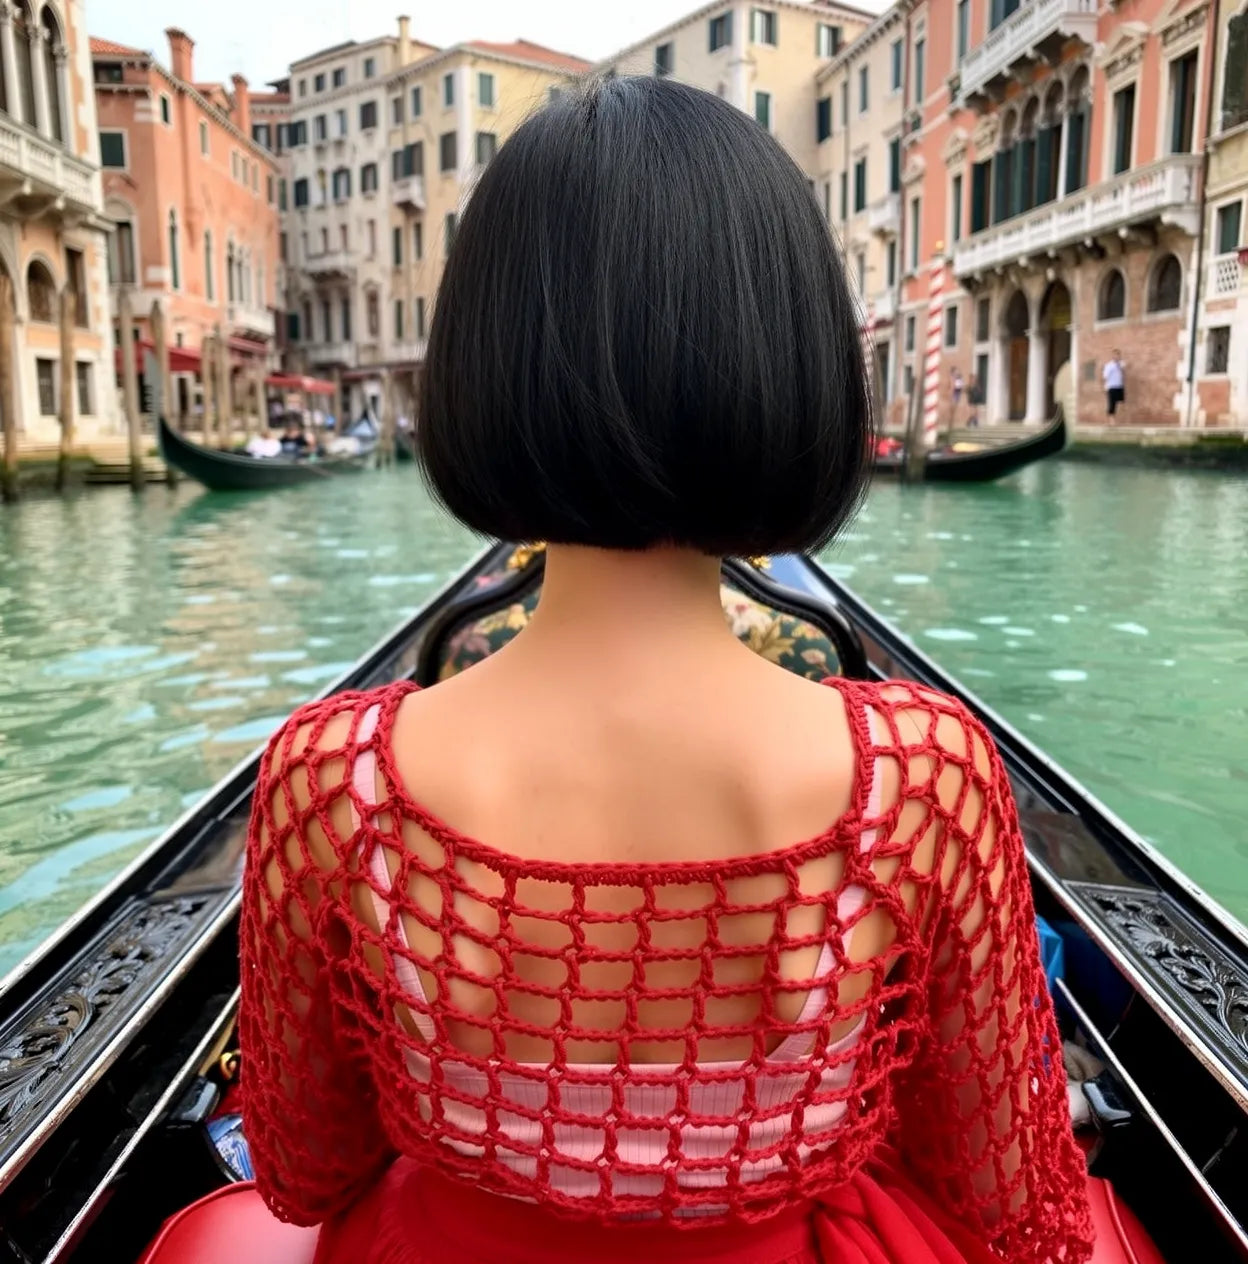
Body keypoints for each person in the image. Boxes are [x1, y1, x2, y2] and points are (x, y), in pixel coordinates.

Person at [241, 77, 1093, 1264]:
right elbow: (1006, 1194)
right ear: (793, 361)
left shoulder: (327, 783)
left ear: (482, 366)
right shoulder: (928, 778)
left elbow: (303, 1168)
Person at [1103, 351, 1125, 416]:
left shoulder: (1121, 364)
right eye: (1115, 355)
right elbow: (1105, 376)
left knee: (1121, 402)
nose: (1117, 357)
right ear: (1112, 356)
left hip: (1119, 386)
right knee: (1112, 403)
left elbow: (1125, 366)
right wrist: (1105, 386)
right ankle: (1111, 421)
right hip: (1112, 386)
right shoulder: (1109, 365)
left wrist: (1120, 364)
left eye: (1118, 355)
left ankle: (1117, 418)